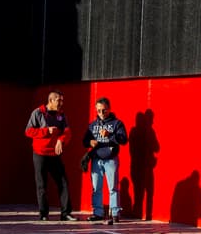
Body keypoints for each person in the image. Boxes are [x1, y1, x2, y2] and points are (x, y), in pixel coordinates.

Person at [25, 90, 72, 221]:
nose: (61, 103)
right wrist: (46, 131)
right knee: (42, 184)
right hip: (40, 154)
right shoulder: (38, 113)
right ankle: (43, 214)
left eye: (62, 100)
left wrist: (61, 140)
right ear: (51, 100)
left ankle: (66, 213)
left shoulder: (61, 115)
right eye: (59, 100)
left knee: (63, 182)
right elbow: (28, 131)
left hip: (54, 154)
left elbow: (67, 131)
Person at [82, 97, 127, 224]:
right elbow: (84, 141)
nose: (101, 113)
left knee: (113, 187)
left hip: (111, 159)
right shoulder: (93, 125)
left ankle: (115, 213)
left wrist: (110, 135)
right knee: (96, 187)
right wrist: (90, 142)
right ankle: (98, 213)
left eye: (104, 110)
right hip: (96, 159)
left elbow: (124, 140)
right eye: (99, 110)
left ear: (109, 109)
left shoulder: (117, 123)